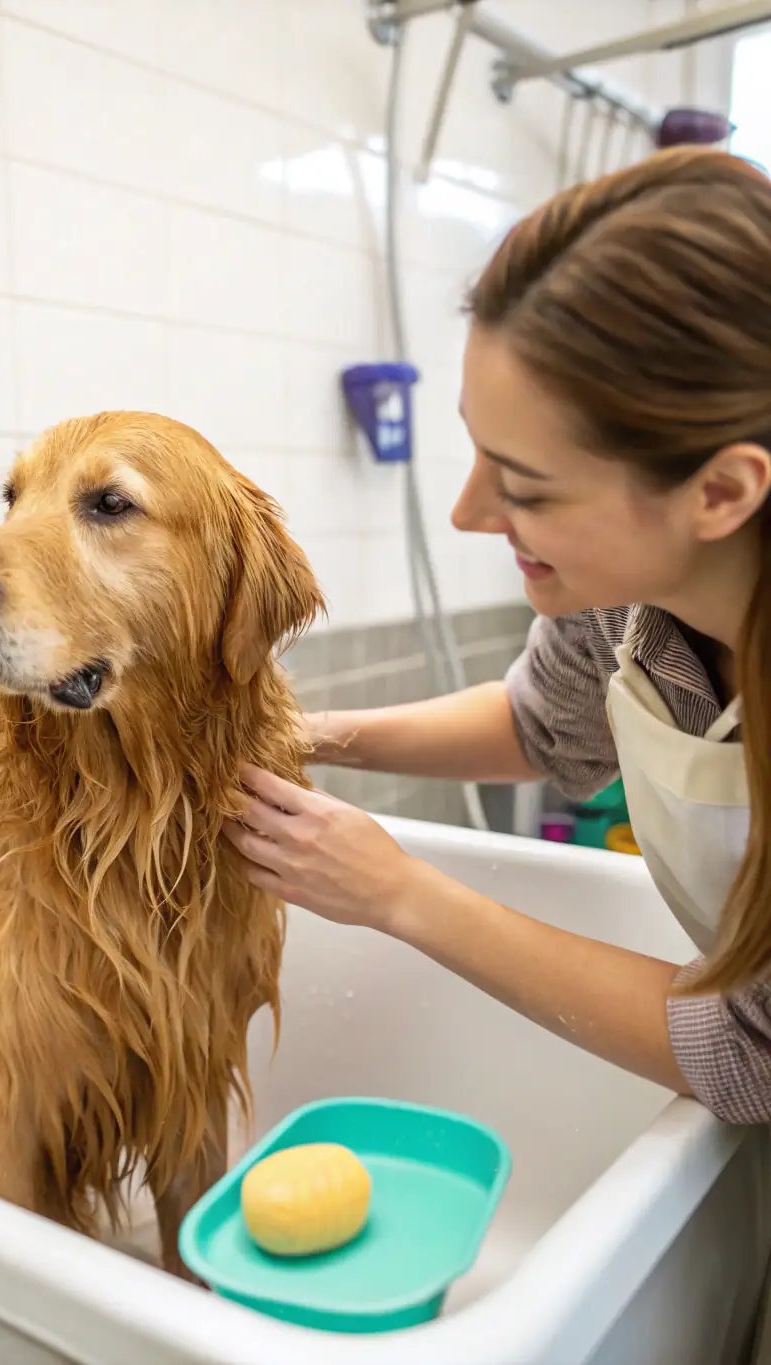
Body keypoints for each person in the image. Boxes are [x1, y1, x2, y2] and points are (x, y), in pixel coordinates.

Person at [225, 145, 771, 1127]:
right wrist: (312, 736)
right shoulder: (624, 599)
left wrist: (401, 895)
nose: (469, 514)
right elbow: (540, 728)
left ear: (720, 493)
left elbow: (753, 1056)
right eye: (477, 451)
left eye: (522, 484)